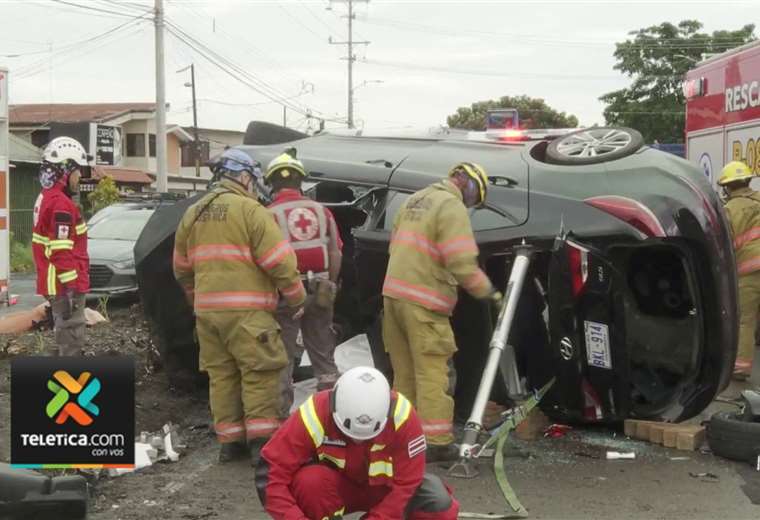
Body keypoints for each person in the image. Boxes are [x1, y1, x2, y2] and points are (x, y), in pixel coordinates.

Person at [173, 148, 306, 463]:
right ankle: (262, 444)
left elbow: (181, 267)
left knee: (223, 376)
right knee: (260, 372)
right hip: (248, 315)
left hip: (208, 315)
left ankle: (230, 444)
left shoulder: (193, 213)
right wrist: (297, 296)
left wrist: (198, 301)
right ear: (245, 176)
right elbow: (279, 261)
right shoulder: (251, 211)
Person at [381, 162, 501, 461]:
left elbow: (394, 245)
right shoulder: (451, 205)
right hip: (424, 302)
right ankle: (435, 442)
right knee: (433, 373)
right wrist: (490, 292)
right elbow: (461, 261)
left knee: (404, 375)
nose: (470, 204)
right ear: (468, 184)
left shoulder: (414, 200)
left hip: (393, 297)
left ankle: (401, 441)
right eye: (474, 198)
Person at [255, 366, 460, 520]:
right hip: (337, 487)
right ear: (334, 406)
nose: (358, 441)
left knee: (439, 505)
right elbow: (271, 472)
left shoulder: (403, 416)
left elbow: (407, 483)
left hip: (386, 489)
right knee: (310, 482)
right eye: (351, 434)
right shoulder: (315, 411)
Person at [264, 149, 343, 417]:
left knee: (282, 357)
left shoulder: (268, 214)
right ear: (301, 181)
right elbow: (336, 251)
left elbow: (266, 260)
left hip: (286, 293)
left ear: (272, 183)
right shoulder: (322, 212)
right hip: (320, 287)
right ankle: (332, 414)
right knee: (323, 355)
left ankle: (280, 421)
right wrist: (330, 283)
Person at [32, 137, 91, 356]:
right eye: (77, 171)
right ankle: (70, 384)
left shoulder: (47, 197)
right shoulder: (61, 204)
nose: (80, 177)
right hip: (63, 285)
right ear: (65, 170)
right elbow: (61, 251)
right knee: (71, 339)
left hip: (55, 282)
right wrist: (70, 289)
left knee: (65, 336)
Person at [718, 160, 760, 381]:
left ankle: (741, 367)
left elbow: (727, 243)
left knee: (745, 318)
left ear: (727, 187)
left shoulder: (730, 209)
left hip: (751, 271)